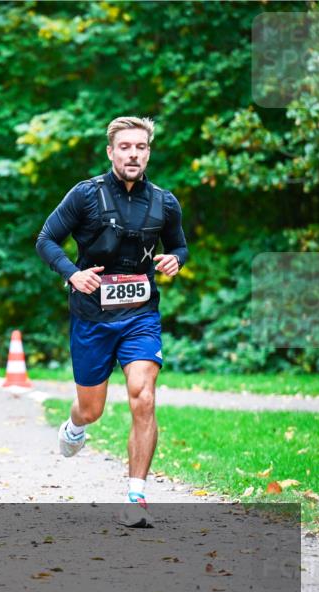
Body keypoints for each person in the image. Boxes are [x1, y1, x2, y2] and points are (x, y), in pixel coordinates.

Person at [36, 116, 189, 528]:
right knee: (92, 409)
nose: (133, 154)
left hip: (140, 315)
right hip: (92, 316)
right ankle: (74, 425)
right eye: (125, 147)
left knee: (144, 395)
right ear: (111, 151)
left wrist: (176, 259)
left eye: (140, 147)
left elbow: (179, 245)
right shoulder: (85, 195)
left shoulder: (164, 202)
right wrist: (72, 273)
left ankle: (136, 495)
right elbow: (45, 239)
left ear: (148, 152)